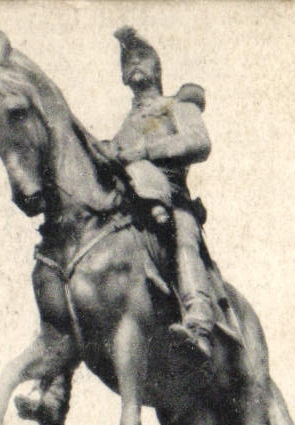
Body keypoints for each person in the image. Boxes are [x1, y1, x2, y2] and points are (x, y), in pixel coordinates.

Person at [107, 27, 216, 356]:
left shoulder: (176, 105)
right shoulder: (124, 125)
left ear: (157, 69)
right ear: (123, 76)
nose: (134, 63)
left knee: (183, 238)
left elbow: (199, 142)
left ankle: (199, 323)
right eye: (127, 60)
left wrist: (146, 151)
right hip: (131, 208)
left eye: (142, 58)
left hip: (173, 201)